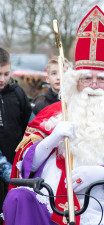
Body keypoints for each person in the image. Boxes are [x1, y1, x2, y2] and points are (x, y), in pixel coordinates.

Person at [2, 6, 104, 225]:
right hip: (51, 203)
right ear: (75, 82)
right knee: (18, 197)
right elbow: (24, 168)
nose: (93, 86)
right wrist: (50, 141)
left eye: (102, 80)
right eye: (86, 78)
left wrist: (100, 173)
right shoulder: (52, 115)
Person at [0, 47, 32, 225]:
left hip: (16, 165)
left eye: (6, 73)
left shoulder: (18, 94)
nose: (2, 79)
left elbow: (29, 128)